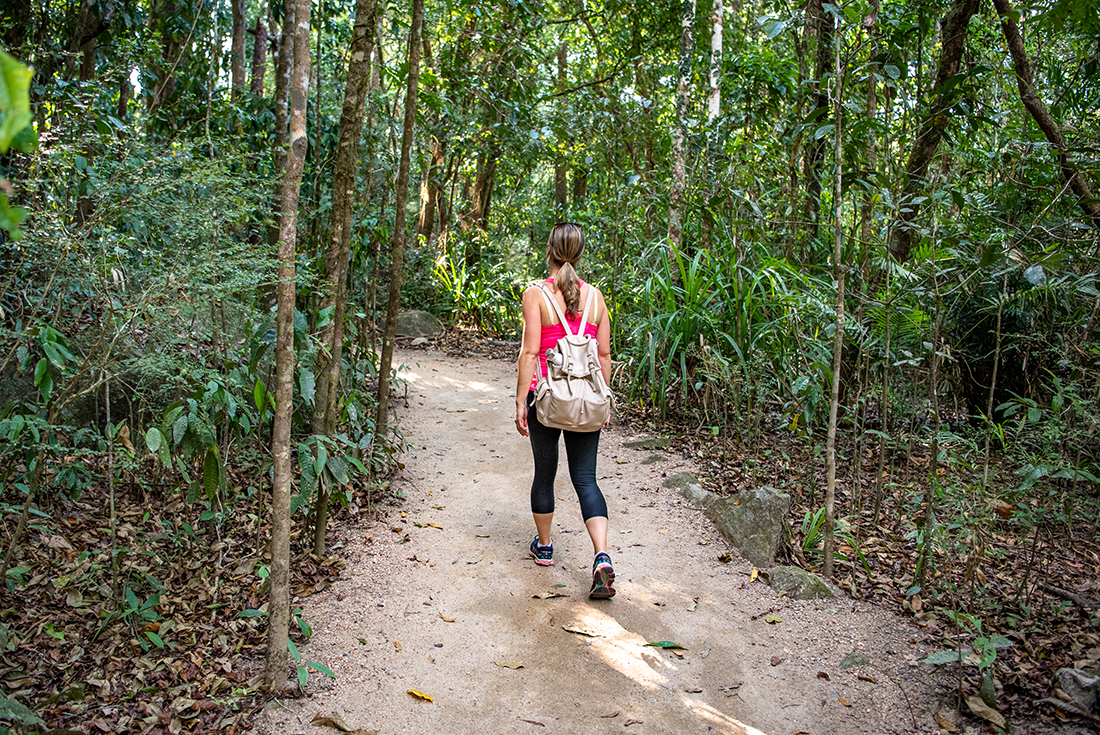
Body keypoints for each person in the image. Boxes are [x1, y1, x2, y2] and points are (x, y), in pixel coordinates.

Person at [514, 222, 615, 599]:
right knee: (586, 479)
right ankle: (602, 557)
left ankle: (544, 548)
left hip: (547, 398)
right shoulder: (596, 298)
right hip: (588, 398)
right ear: (580, 253)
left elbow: (529, 353)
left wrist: (520, 401)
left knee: (546, 472)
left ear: (549, 252)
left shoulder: (536, 295)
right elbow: (603, 356)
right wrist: (603, 400)